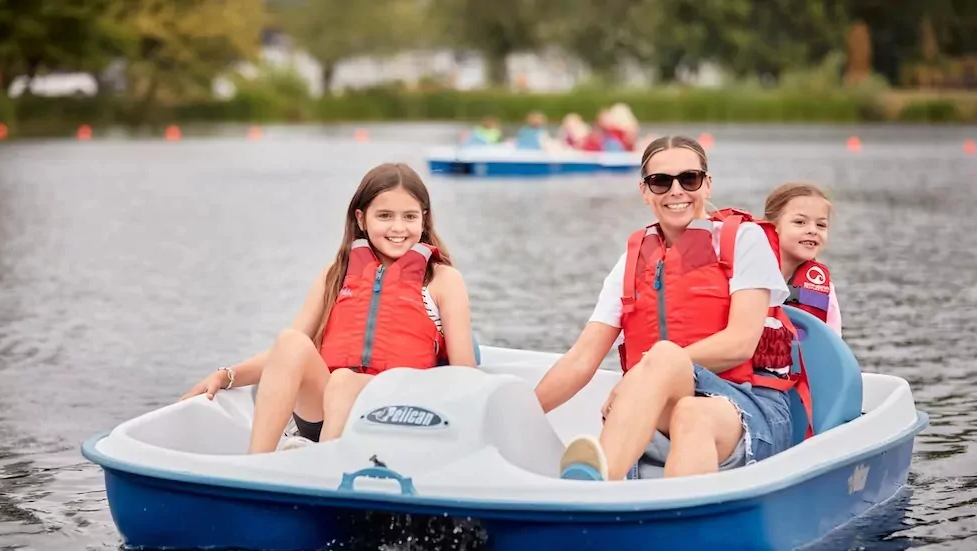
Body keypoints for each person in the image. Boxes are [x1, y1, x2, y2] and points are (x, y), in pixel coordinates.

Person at [534, 136, 807, 481]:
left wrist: (646, 370)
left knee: (689, 409)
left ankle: (597, 486)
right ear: (645, 192)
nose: (676, 191)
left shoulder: (744, 240)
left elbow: (740, 342)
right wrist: (519, 413)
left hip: (748, 405)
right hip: (669, 402)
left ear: (707, 185)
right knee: (685, 405)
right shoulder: (632, 262)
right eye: (661, 182)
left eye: (689, 179)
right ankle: (596, 492)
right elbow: (581, 359)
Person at [181, 163, 476, 454]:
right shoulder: (334, 276)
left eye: (409, 216)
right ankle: (255, 466)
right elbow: (285, 358)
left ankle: (325, 470)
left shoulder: (443, 280)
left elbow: (463, 374)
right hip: (322, 412)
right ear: (361, 219)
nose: (398, 227)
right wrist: (228, 375)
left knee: (345, 381)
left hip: (397, 417)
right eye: (384, 216)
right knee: (292, 340)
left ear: (424, 219)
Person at [764, 182, 841, 336]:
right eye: (800, 222)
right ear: (772, 226)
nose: (812, 230)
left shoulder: (825, 290)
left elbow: (833, 342)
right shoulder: (747, 275)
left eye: (821, 225)